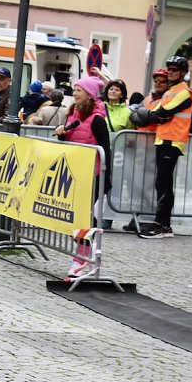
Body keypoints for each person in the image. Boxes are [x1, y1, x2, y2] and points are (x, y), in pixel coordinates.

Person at [53, 76, 111, 277]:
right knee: (77, 217)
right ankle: (86, 254)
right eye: (74, 90)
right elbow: (68, 141)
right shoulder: (73, 115)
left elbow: (105, 150)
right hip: (75, 174)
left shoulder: (97, 120)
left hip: (92, 175)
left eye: (79, 90)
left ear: (90, 95)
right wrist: (61, 134)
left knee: (83, 218)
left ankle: (83, 259)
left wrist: (106, 177)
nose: (75, 93)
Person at [137, 57, 192, 239]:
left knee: (162, 182)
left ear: (183, 73)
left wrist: (154, 115)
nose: (170, 72)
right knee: (164, 183)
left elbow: (162, 113)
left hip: (173, 140)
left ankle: (158, 225)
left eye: (175, 69)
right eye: (169, 69)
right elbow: (156, 115)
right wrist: (155, 115)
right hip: (163, 139)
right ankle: (165, 225)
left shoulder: (185, 92)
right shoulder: (170, 91)